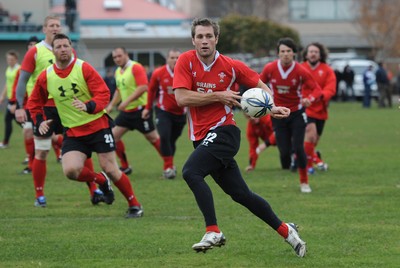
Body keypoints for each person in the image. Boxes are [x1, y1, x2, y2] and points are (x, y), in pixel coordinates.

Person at [173, 18, 306, 257]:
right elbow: (182, 98)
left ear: (216, 39)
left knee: (191, 172)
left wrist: (271, 107)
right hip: (202, 137)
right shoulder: (185, 61)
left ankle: (213, 230)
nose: (204, 41)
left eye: (209, 36)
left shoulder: (231, 65)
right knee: (242, 195)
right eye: (200, 37)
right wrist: (218, 95)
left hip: (225, 132)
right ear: (193, 40)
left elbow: (261, 86)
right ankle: (287, 230)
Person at [26, 33, 143, 218]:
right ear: (53, 51)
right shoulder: (46, 76)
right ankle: (99, 180)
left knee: (111, 168)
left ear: (71, 47)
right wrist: (39, 121)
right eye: (59, 47)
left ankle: (134, 204)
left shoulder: (83, 68)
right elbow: (34, 102)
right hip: (73, 131)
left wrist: (88, 106)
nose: (63, 49)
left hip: (98, 126)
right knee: (71, 171)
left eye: (66, 45)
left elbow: (103, 93)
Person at [15, 16, 102, 206]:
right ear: (44, 29)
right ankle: (40, 196)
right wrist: (19, 106)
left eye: (57, 25)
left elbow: (78, 76)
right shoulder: (35, 52)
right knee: (42, 151)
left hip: (68, 107)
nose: (55, 28)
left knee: (83, 149)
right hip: (45, 110)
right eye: (51, 26)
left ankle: (95, 191)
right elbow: (22, 80)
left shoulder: (67, 50)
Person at [260, 37, 322, 193]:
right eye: (282, 51)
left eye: (288, 51)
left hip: (297, 113)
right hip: (278, 114)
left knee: (298, 148)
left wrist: (310, 99)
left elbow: (317, 90)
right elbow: (258, 84)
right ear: (278, 53)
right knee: (284, 151)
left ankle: (304, 182)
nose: (285, 54)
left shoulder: (300, 70)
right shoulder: (270, 68)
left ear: (294, 53)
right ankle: (293, 158)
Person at [106, 47, 164, 176]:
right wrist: (111, 105)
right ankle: (125, 166)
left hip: (141, 111)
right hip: (127, 113)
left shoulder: (136, 67)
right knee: (113, 137)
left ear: (126, 54)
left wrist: (125, 102)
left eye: (119, 56)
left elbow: (143, 87)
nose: (117, 59)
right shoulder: (118, 71)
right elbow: (119, 90)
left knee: (153, 138)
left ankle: (168, 165)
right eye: (115, 57)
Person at [142, 48, 186, 179]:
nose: (175, 60)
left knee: (171, 141)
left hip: (181, 113)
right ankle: (168, 168)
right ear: (167, 59)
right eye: (172, 58)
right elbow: (151, 91)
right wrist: (147, 108)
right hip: (163, 111)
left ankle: (170, 165)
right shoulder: (159, 73)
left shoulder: (187, 73)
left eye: (177, 58)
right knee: (165, 136)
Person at [301, 42, 336, 174]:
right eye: (311, 51)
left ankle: (299, 158)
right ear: (306, 54)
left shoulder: (327, 70)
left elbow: (331, 88)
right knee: (311, 134)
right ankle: (310, 166)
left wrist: (320, 96)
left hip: (320, 109)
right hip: (305, 108)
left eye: (316, 52)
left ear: (320, 55)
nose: (313, 54)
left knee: (313, 141)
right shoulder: (300, 68)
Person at [0, 50, 20, 148]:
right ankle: (5, 142)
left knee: (21, 121)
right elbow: (7, 85)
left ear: (16, 60)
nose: (10, 61)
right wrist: (2, 96)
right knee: (9, 119)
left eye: (12, 59)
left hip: (16, 100)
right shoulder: (8, 69)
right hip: (10, 99)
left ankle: (36, 134)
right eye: (8, 59)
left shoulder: (19, 70)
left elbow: (21, 87)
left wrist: (16, 103)